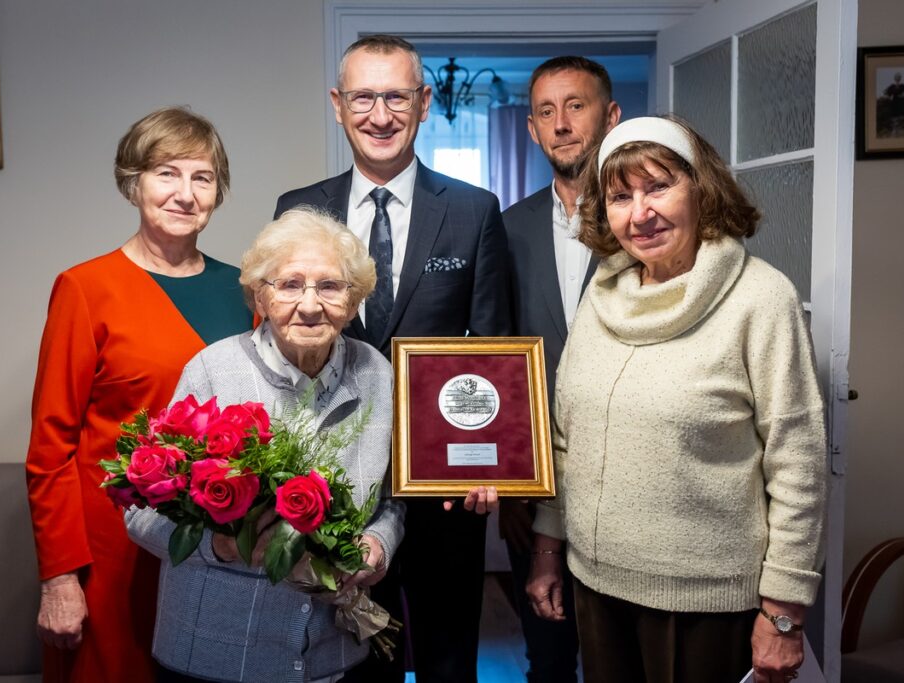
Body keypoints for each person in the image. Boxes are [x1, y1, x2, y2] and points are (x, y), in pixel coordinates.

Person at [527, 116, 827, 683]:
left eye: (658, 186)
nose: (639, 213)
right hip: (595, 585)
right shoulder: (602, 292)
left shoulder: (761, 299)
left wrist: (784, 613)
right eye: (620, 196)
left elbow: (799, 463)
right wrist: (547, 550)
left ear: (701, 189)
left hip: (708, 606)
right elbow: (566, 439)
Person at [274, 34, 510, 683]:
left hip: (442, 492)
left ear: (424, 101)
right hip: (334, 490)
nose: (380, 114)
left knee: (446, 662)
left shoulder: (473, 212)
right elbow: (279, 350)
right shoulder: (298, 210)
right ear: (337, 103)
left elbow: (493, 349)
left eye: (396, 96)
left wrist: (490, 455)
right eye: (364, 96)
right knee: (347, 663)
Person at [125, 207, 405, 683]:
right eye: (290, 284)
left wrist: (378, 543)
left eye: (331, 286)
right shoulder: (213, 370)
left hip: (333, 652)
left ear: (354, 301)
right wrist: (223, 546)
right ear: (260, 294)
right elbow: (140, 513)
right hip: (216, 653)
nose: (311, 305)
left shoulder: (378, 373)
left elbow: (393, 498)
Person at [25, 107, 251, 683]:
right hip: (113, 553)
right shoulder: (85, 289)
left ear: (217, 192)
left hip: (217, 548)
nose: (185, 193)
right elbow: (50, 448)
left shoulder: (245, 289)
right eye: (166, 174)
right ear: (134, 184)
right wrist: (59, 577)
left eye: (202, 177)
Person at [500, 55, 620, 683]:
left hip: (631, 481)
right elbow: (498, 356)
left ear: (611, 116)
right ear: (532, 129)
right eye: (547, 111)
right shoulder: (505, 230)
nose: (562, 123)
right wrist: (514, 481)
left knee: (622, 656)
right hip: (538, 481)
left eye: (576, 106)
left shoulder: (646, 225)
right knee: (546, 653)